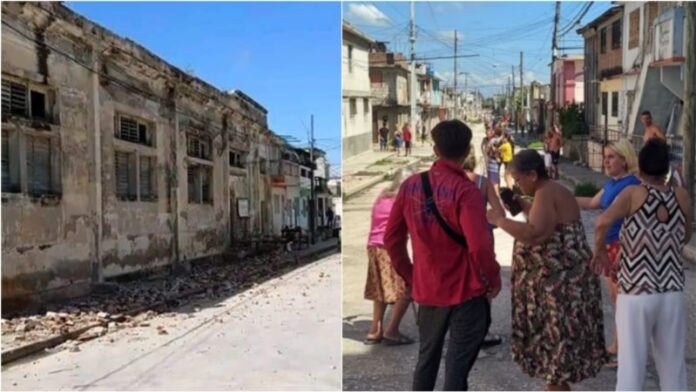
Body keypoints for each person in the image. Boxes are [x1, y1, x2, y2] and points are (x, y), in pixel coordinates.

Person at [384, 120, 501, 391]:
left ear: (435, 149)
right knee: (456, 370)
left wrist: (412, 276)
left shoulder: (410, 186)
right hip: (467, 291)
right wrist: (493, 278)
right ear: (467, 150)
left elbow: (392, 240)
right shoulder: (466, 191)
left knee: (427, 360)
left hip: (428, 291)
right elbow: (480, 247)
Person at [486, 150, 607, 391]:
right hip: (562, 285)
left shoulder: (546, 192)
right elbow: (545, 219)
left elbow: (535, 233)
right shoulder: (550, 191)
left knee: (556, 359)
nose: (517, 184)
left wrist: (500, 221)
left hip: (559, 289)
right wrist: (521, 204)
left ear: (532, 174)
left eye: (518, 179)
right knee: (556, 364)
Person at [592, 139, 692, 391]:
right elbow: (686, 235)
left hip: (636, 290)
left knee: (631, 365)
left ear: (641, 167)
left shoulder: (634, 193)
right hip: (670, 289)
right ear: (665, 167)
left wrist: (600, 251)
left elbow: (601, 222)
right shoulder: (680, 195)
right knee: (673, 366)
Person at [575, 139, 640, 366]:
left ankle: (624, 349)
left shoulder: (632, 184)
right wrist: (559, 200)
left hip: (620, 248)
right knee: (617, 300)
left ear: (625, 159)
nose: (606, 161)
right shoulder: (613, 183)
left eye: (611, 157)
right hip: (610, 247)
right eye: (605, 157)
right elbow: (592, 203)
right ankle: (619, 345)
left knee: (622, 300)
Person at [364, 171, 414, 346]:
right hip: (390, 247)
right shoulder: (402, 200)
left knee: (380, 289)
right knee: (407, 287)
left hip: (373, 246)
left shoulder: (382, 196)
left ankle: (374, 330)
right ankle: (392, 330)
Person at [462, 146, 505, 348]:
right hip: (482, 238)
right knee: (484, 282)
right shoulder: (483, 183)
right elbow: (499, 214)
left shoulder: (448, 183)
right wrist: (486, 224)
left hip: (455, 241)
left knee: (460, 282)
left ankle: (460, 330)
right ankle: (483, 330)